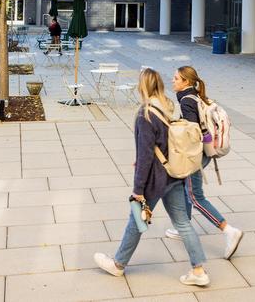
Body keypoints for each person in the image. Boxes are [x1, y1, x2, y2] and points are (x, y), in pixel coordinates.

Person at [93, 68, 210, 287]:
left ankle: (118, 265)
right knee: (183, 223)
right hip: (174, 174)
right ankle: (199, 270)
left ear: (142, 86)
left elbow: (146, 156)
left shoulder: (145, 114)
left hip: (155, 179)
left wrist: (138, 190)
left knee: (136, 220)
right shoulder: (166, 106)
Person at [167, 66, 243, 259]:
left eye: (176, 78)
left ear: (186, 82)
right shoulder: (195, 95)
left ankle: (228, 230)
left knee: (195, 196)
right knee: (185, 187)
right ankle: (183, 226)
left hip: (196, 155)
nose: (172, 81)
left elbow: (193, 132)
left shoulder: (186, 101)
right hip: (204, 152)